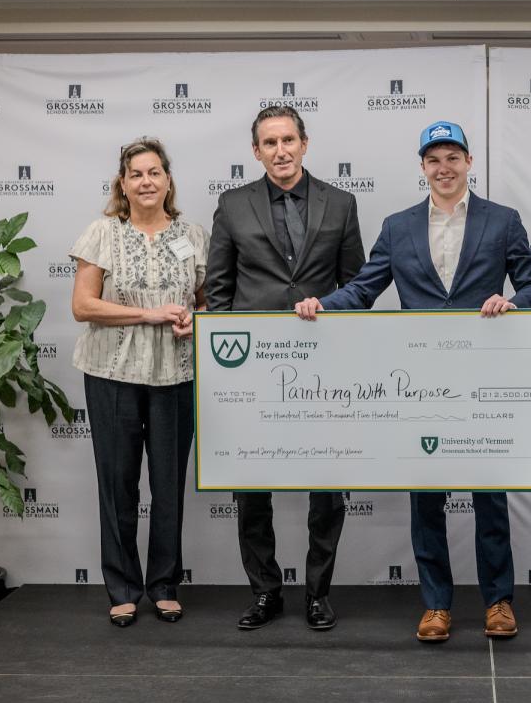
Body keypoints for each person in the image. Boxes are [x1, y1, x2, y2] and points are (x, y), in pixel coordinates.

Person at [295, 120, 531, 642]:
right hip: (421, 385)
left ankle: (498, 600)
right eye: (434, 159)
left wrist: (513, 301)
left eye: (453, 157)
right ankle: (436, 604)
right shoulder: (398, 226)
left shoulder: (503, 220)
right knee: (425, 496)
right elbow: (363, 289)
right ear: (423, 167)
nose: (444, 167)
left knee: (489, 494)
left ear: (469, 163)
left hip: (484, 380)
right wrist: (323, 304)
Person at [206, 105, 365, 632]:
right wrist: (226, 369)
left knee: (327, 486)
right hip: (251, 372)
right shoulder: (232, 205)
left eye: (288, 140)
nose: (280, 151)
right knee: (251, 490)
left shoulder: (341, 204)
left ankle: (318, 594)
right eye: (269, 143)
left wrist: (333, 315)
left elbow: (355, 289)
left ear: (304, 143)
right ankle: (265, 592)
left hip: (324, 372)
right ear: (256, 151)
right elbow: (220, 294)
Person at [70, 137, 208, 627]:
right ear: (122, 184)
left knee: (169, 484)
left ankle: (165, 585)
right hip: (111, 377)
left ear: (167, 180)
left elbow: (207, 300)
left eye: (155, 172)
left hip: (176, 375)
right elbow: (83, 306)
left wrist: (199, 319)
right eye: (137, 174)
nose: (146, 181)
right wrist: (149, 314)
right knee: (118, 483)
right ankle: (123, 587)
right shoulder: (103, 232)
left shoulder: (193, 235)